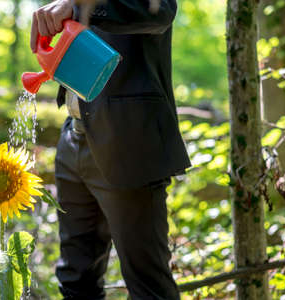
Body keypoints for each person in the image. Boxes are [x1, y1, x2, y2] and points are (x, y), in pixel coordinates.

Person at [30, 1, 191, 299]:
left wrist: (77, 6)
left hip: (129, 142)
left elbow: (160, 11)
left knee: (148, 287)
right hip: (73, 135)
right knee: (75, 280)